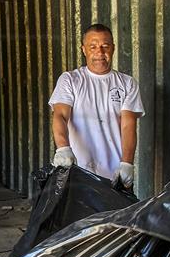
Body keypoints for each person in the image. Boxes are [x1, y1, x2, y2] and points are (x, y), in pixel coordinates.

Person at [49, 23, 145, 189]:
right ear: (84, 50)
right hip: (77, 173)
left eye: (105, 46)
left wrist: (127, 164)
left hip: (115, 175)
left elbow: (128, 125)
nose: (99, 52)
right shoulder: (70, 80)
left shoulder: (127, 83)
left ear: (113, 48)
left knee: (117, 215)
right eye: (92, 46)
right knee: (79, 216)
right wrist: (63, 148)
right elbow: (60, 115)